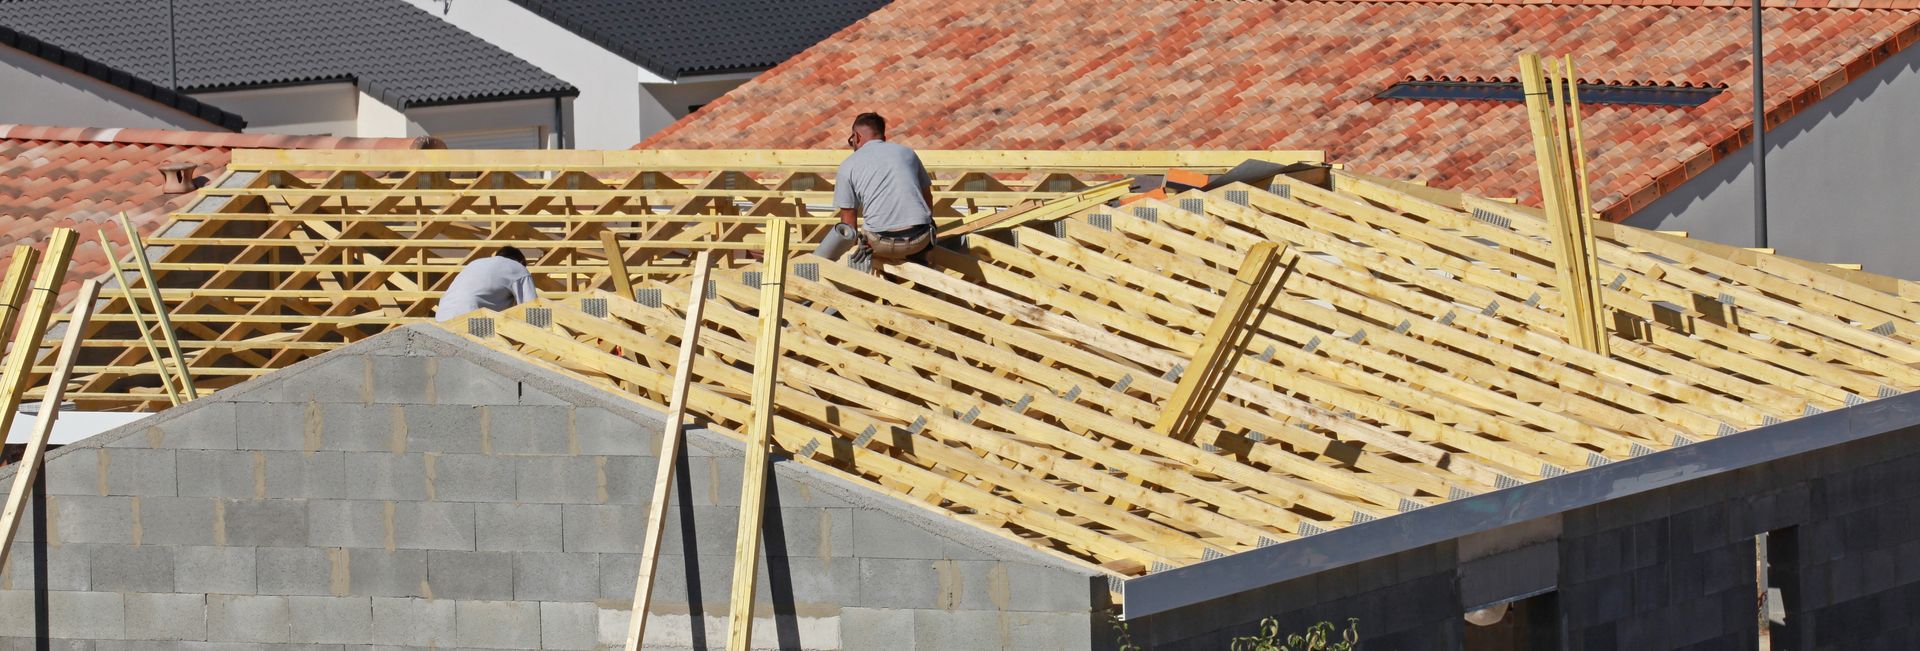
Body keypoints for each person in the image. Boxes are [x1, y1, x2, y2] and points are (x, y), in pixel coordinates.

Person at [834, 112, 934, 265]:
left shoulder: (848, 165)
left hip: (879, 243)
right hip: (919, 240)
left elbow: (848, 223)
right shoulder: (907, 153)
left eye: (852, 139)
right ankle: (921, 265)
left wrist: (851, 254)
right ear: (882, 136)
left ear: (857, 136)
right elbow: (927, 197)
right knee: (927, 221)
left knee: (865, 236)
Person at [434, 246, 539, 321]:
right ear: (521, 262)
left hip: (441, 317)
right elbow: (532, 311)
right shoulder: (519, 268)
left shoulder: (476, 263)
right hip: (472, 320)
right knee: (501, 345)